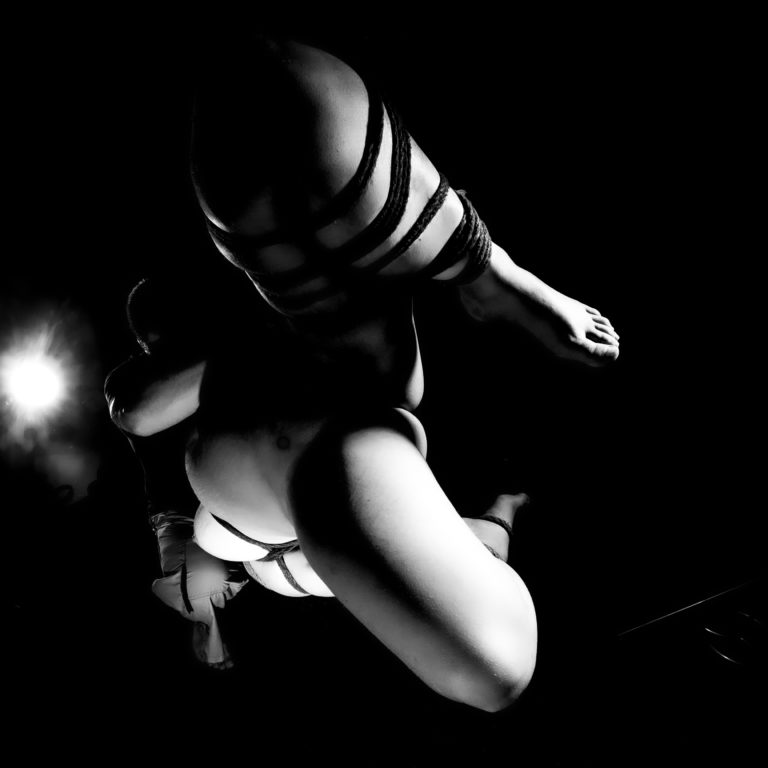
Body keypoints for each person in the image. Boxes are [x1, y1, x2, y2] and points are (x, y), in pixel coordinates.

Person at [181, 34, 619, 712]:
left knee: (280, 109)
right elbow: (491, 666)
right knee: (494, 658)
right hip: (288, 464)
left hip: (253, 485)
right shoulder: (332, 454)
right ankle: (501, 499)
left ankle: (486, 278)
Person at [104, 277, 249, 670]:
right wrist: (241, 347)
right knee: (205, 590)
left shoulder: (221, 357)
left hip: (245, 500)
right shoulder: (127, 379)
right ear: (143, 339)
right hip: (181, 517)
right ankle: (208, 637)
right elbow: (137, 416)